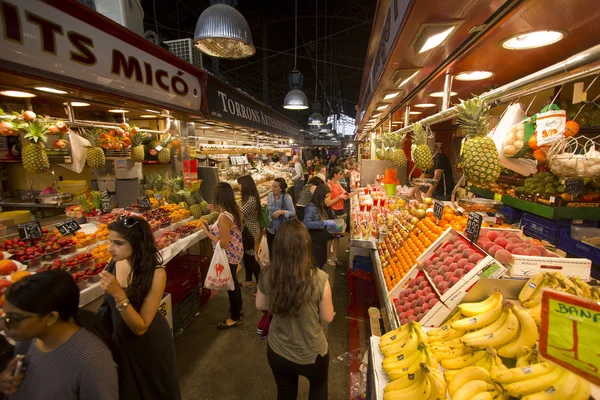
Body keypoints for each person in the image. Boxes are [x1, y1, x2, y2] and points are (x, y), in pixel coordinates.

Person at [0, 270, 118, 399]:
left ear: (51, 317)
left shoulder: (93, 361)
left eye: (15, 319)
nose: (4, 325)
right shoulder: (27, 341)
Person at [99, 215, 181, 399]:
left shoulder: (156, 274)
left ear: (137, 243)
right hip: (121, 343)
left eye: (118, 243)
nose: (109, 248)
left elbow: (141, 327)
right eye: (110, 241)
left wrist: (118, 293)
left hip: (147, 346)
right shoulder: (114, 263)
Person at [256, 219, 334, 400]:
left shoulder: (268, 274)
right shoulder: (320, 278)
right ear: (306, 245)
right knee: (319, 387)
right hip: (311, 353)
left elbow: (260, 305)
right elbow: (328, 317)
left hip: (278, 349)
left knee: (285, 392)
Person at [202, 182, 245, 329]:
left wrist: (208, 233)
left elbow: (223, 244)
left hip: (229, 255)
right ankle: (238, 308)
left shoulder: (224, 217)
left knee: (230, 285)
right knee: (233, 281)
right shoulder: (235, 209)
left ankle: (235, 316)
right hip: (237, 251)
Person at [326, 167, 358, 266]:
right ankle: (328, 259)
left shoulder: (338, 184)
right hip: (333, 213)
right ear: (335, 174)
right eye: (339, 174)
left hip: (340, 212)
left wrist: (358, 191)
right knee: (330, 237)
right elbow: (327, 203)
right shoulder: (329, 186)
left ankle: (335, 257)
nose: (341, 176)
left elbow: (346, 194)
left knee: (338, 236)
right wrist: (339, 197)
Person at [303, 184, 339, 269]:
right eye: (326, 197)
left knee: (321, 264)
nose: (328, 199)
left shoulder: (322, 206)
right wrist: (324, 223)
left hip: (321, 243)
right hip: (314, 244)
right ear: (320, 196)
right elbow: (306, 224)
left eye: (329, 197)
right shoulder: (311, 207)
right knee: (315, 267)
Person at [237, 175, 262, 293]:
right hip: (248, 230)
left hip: (250, 231)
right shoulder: (249, 198)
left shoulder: (251, 200)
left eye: (240, 184)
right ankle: (248, 280)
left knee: (250, 258)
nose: (238, 186)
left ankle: (260, 285)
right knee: (246, 257)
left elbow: (240, 213)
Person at [266, 177, 296, 254]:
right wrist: (265, 224)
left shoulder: (286, 197)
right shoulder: (269, 195)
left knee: (280, 252)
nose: (272, 188)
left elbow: (293, 212)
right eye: (272, 186)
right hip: (270, 229)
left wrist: (281, 212)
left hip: (281, 230)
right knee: (271, 251)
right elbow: (267, 210)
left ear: (281, 189)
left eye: (275, 187)